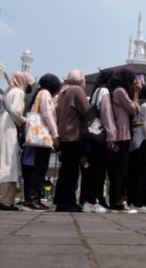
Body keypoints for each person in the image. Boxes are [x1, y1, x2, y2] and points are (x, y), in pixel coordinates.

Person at [0, 72, 34, 211]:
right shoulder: (18, 92)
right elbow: (15, 111)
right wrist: (23, 121)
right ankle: (4, 200)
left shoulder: (9, 92)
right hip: (8, 128)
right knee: (7, 161)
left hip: (1, 126)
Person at [22, 73, 61, 210]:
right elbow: (47, 114)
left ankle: (33, 198)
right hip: (42, 137)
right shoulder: (45, 93)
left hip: (35, 137)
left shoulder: (38, 93)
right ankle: (33, 199)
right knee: (39, 168)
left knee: (36, 168)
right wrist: (56, 134)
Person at [54, 70, 90, 212]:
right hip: (73, 136)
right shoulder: (76, 90)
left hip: (64, 136)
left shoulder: (64, 90)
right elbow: (86, 111)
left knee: (66, 171)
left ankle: (62, 200)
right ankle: (67, 202)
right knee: (71, 172)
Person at [105, 68, 141, 212]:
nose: (134, 83)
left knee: (120, 171)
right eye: (133, 79)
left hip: (123, 134)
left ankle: (118, 200)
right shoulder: (120, 91)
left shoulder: (119, 91)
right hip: (121, 136)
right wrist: (137, 93)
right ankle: (117, 201)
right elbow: (133, 109)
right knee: (119, 171)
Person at [84, 70, 113, 213]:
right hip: (100, 136)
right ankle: (92, 202)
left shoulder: (96, 91)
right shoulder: (105, 92)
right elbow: (106, 115)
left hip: (92, 136)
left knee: (94, 170)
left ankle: (91, 200)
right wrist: (111, 136)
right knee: (99, 171)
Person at [128, 83, 146, 213]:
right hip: (143, 141)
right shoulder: (145, 104)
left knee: (133, 174)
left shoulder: (132, 104)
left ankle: (133, 201)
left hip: (132, 143)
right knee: (142, 175)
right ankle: (140, 203)